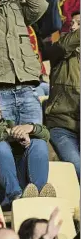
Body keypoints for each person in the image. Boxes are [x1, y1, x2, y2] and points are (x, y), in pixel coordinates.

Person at [46, 13, 80, 180]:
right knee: (76, 165)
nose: (73, 26)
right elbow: (67, 44)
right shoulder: (60, 49)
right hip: (62, 125)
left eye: (78, 23)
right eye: (72, 23)